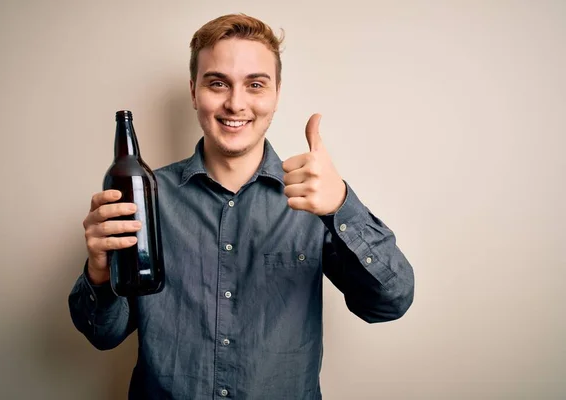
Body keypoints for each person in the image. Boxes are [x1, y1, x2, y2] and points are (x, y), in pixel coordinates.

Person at [69, 13, 415, 400]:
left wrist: (342, 206)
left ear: (276, 94)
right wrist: (99, 272)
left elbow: (390, 302)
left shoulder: (318, 198)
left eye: (255, 85)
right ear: (194, 91)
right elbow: (103, 334)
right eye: (218, 83)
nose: (236, 103)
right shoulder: (146, 198)